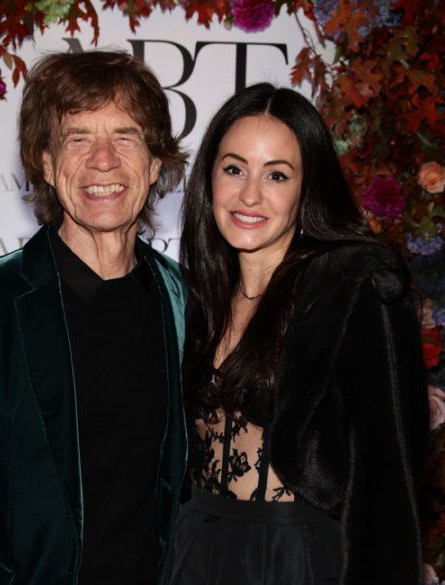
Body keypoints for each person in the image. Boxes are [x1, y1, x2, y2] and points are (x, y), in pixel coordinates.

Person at [0, 51, 189, 585]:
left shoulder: (184, 299)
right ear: (44, 160)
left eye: (125, 137)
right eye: (78, 137)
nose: (102, 160)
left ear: (156, 163)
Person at [167, 83, 429, 584]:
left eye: (277, 175)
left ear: (308, 187)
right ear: (210, 177)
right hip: (193, 550)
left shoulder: (352, 293)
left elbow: (388, 479)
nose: (249, 195)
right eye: (234, 168)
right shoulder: (194, 296)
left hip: (297, 561)